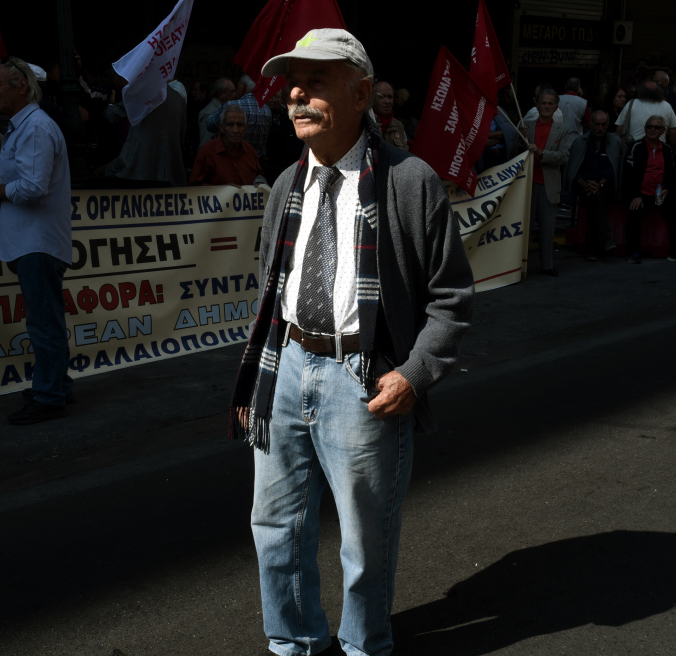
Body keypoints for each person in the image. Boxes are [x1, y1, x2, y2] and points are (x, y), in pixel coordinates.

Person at [230, 28, 473, 656]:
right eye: (292, 84)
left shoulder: (409, 182)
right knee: (275, 529)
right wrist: (260, 375)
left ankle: (365, 645)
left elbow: (452, 299)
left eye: (316, 82)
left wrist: (414, 374)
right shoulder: (285, 185)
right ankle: (294, 644)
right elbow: (269, 286)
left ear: (361, 92)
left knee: (365, 540)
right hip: (284, 372)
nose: (297, 96)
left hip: (363, 383)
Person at [0, 58, 74, 425]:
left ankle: (49, 395)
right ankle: (57, 384)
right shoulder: (25, 127)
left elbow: (33, 186)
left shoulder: (34, 128)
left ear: (21, 86)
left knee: (43, 321)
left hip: (38, 242)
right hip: (33, 241)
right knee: (47, 318)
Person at [622, 115, 676, 264]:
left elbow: (671, 174)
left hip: (660, 194)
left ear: (662, 131)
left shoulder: (666, 149)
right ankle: (633, 252)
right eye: (649, 126)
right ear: (645, 128)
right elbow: (628, 174)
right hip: (640, 193)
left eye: (656, 127)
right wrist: (635, 195)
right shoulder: (636, 147)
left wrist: (667, 189)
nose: (652, 129)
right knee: (634, 213)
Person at [520, 89, 572, 275]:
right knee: (523, 229)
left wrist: (541, 152)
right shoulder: (526, 125)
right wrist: (520, 136)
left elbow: (563, 157)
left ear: (556, 107)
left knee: (548, 229)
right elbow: (514, 154)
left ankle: (547, 265)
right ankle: (519, 266)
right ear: (537, 105)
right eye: (544, 103)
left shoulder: (562, 129)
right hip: (526, 185)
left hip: (548, 185)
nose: (547, 106)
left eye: (550, 104)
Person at [104, 80, 187, 187]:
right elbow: (182, 139)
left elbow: (111, 115)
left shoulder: (142, 92)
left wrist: (110, 104)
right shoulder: (179, 99)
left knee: (100, 175)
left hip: (136, 169)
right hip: (168, 174)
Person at [565, 110, 622, 260]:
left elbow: (613, 169)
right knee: (594, 199)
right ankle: (606, 239)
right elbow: (574, 170)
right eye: (597, 124)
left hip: (605, 185)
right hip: (583, 184)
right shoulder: (580, 142)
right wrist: (586, 184)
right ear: (591, 124)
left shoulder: (614, 142)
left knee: (595, 200)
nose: (600, 128)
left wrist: (600, 185)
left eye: (603, 125)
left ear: (608, 125)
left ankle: (591, 249)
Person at [188, 105, 265, 186]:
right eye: (230, 125)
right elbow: (194, 186)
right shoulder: (207, 152)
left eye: (239, 125)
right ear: (221, 127)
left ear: (245, 128)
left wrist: (259, 183)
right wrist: (223, 190)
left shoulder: (250, 151)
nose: (235, 130)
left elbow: (259, 176)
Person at [206, 75, 273, 158]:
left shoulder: (231, 105)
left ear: (243, 87)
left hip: (233, 159)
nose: (236, 92)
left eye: (237, 88)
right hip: (256, 161)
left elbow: (209, 124)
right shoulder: (267, 110)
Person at [616, 81, 676, 151]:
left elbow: (619, 128)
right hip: (658, 150)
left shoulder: (632, 103)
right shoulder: (666, 106)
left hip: (635, 149)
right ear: (658, 91)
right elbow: (674, 131)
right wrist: (673, 151)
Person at [371, 80, 409, 150]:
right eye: (382, 97)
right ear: (373, 99)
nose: (387, 101)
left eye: (390, 97)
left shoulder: (399, 126)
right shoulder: (366, 124)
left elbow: (405, 155)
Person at [198, 77, 234, 147]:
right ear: (221, 94)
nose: (235, 94)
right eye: (232, 91)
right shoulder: (210, 113)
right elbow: (205, 143)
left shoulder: (221, 109)